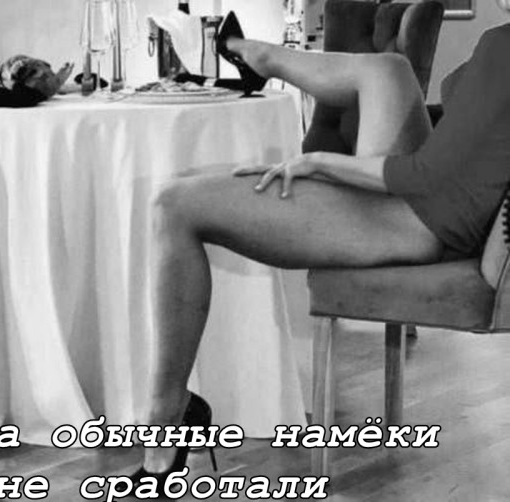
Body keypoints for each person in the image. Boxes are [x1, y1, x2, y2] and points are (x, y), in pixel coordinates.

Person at [124, 0, 510, 494]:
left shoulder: (503, 47)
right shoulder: (502, 45)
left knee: (174, 206)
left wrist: (321, 164)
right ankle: (260, 57)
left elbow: (425, 177)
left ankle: (166, 423)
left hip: (420, 223)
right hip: (443, 203)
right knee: (389, 71)